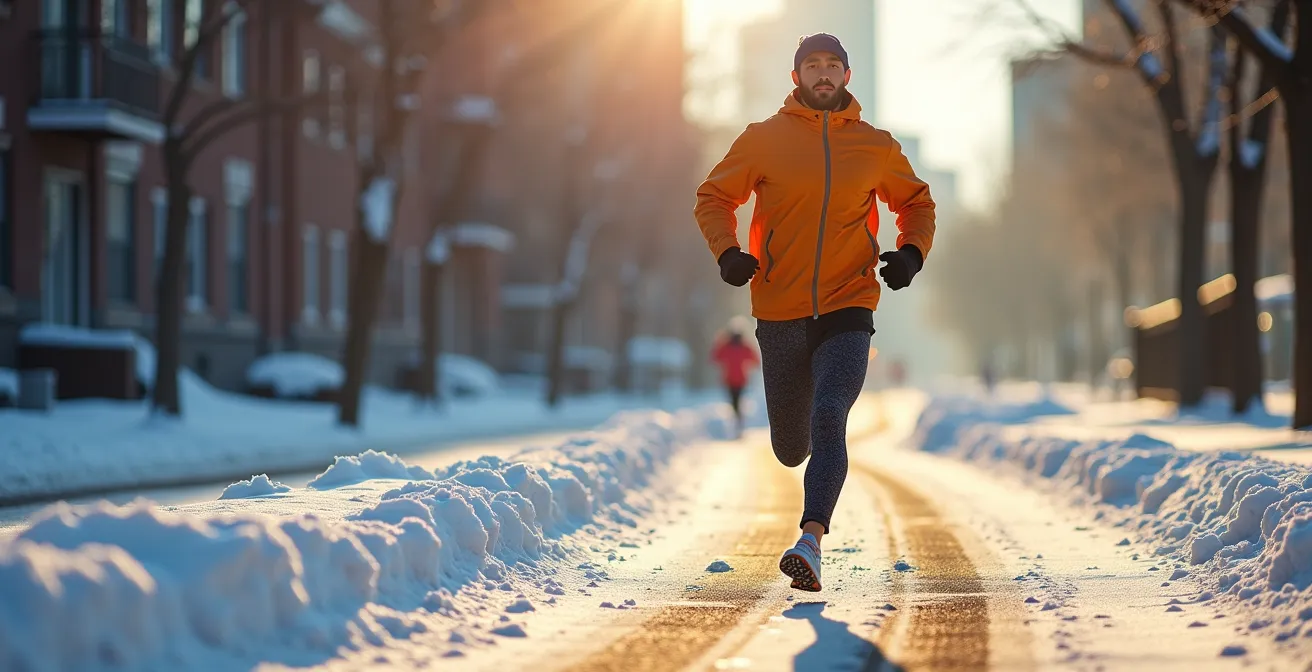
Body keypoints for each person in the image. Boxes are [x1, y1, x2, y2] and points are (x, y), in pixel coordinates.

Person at [693, 33, 936, 592]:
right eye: (812, 66)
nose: (823, 74)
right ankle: (799, 462)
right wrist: (728, 253)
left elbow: (917, 201)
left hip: (850, 302)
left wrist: (910, 253)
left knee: (830, 413)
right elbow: (713, 196)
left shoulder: (875, 146)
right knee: (790, 445)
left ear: (848, 75)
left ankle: (811, 540)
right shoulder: (763, 140)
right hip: (779, 307)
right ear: (796, 76)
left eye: (833, 65)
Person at [710, 324, 761, 436]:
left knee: (736, 402)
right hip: (735, 380)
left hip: (734, 380)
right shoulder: (740, 346)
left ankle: (738, 423)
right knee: (735, 402)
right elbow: (715, 357)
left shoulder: (731, 346)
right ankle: (738, 423)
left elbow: (715, 357)